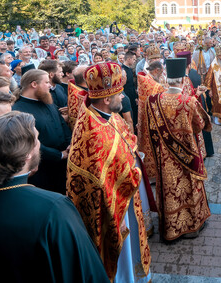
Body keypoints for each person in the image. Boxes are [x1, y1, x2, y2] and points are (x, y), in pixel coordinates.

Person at [0, 112, 109, 282]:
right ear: (27, 154)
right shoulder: (53, 209)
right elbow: (86, 274)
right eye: (37, 139)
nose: (40, 144)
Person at [67, 63, 152, 282]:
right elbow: (96, 182)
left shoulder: (109, 115)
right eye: (119, 94)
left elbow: (124, 137)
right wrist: (130, 176)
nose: (123, 97)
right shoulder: (91, 130)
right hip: (113, 207)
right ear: (106, 99)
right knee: (122, 253)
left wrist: (132, 149)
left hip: (126, 197)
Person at [140, 58, 211, 241]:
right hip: (187, 155)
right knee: (188, 188)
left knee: (169, 190)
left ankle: (171, 230)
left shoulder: (152, 101)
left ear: (166, 78)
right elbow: (200, 126)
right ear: (182, 80)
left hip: (164, 157)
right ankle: (192, 226)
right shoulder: (189, 102)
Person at [12, 69, 71, 194]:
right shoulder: (18, 109)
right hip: (42, 168)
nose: (50, 85)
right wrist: (59, 155)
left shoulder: (46, 100)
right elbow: (31, 141)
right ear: (34, 84)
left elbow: (61, 123)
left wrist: (70, 144)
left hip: (62, 164)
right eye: (46, 82)